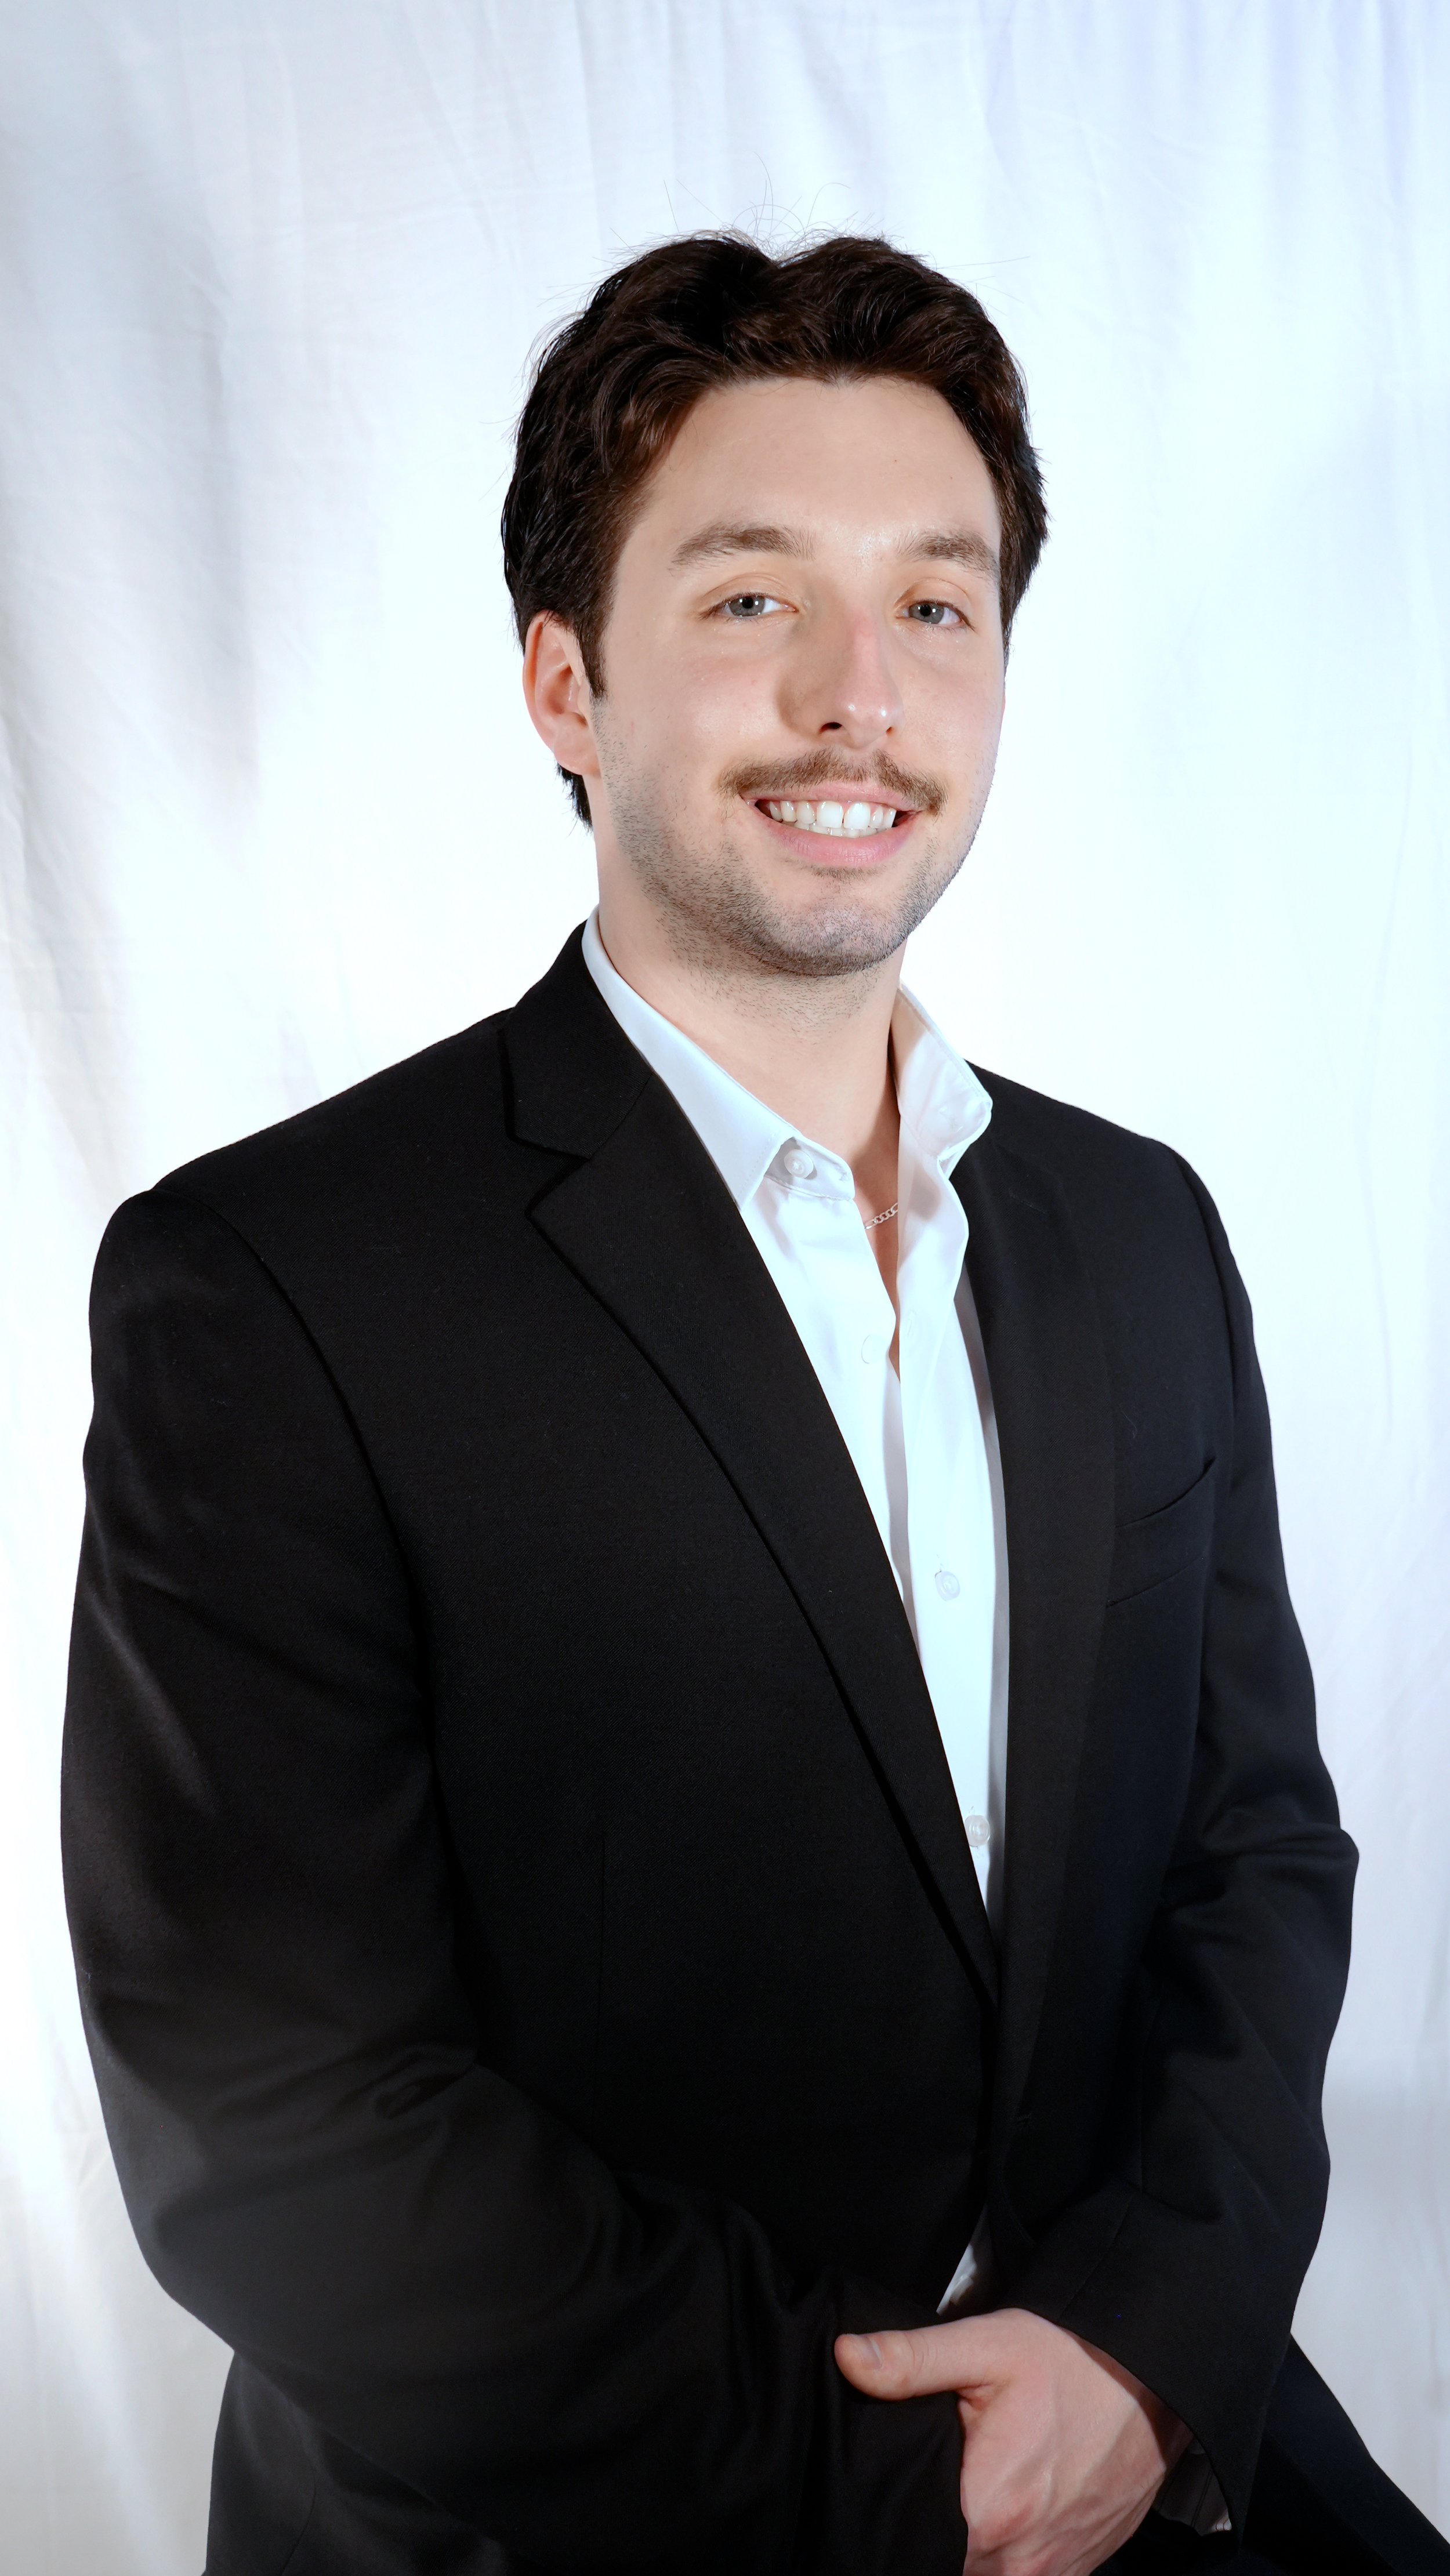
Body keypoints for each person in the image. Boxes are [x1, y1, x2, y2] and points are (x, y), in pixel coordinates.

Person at [61, 233, 1448, 2576]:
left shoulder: (1137, 1230)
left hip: (1146, 2438)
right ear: (564, 682)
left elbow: (1257, 1852)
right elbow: (278, 2120)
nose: (856, 696)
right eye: (747, 599)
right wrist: (914, 2488)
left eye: (935, 605)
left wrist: (1142, 2353)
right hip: (596, 2520)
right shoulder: (271, 1285)